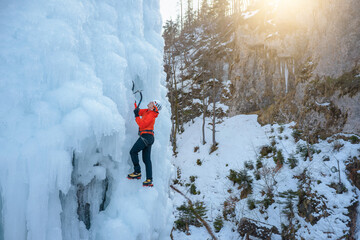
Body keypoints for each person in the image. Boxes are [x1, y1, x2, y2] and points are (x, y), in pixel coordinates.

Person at [127, 100, 162, 187]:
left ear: (154, 106)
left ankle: (137, 172)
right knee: (146, 160)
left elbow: (142, 124)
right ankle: (149, 180)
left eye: (152, 102)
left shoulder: (151, 114)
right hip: (148, 137)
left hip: (146, 136)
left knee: (133, 152)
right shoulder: (147, 111)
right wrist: (134, 102)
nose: (150, 102)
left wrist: (136, 116)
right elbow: (138, 111)